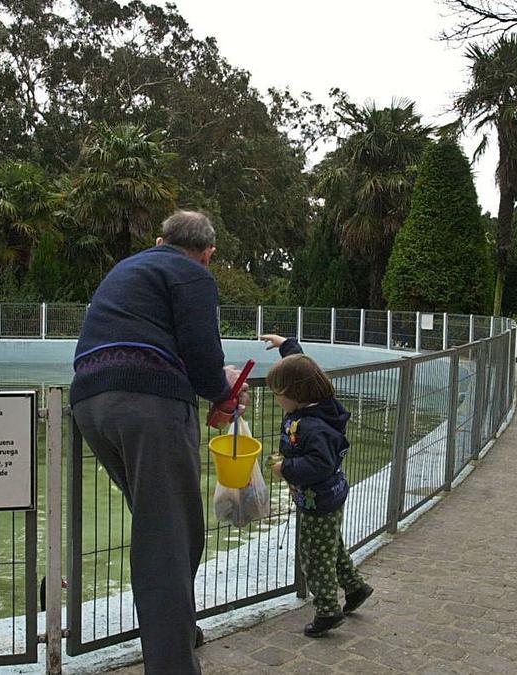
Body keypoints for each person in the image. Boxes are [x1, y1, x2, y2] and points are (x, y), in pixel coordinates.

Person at [71, 210, 247, 673]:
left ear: (158, 240)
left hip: (90, 402)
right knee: (171, 538)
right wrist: (223, 389)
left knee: (163, 525)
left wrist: (214, 386)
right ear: (207, 254)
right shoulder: (192, 274)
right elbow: (202, 350)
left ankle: (181, 631)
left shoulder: (130, 267)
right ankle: (172, 664)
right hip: (148, 405)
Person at [261, 333, 374, 637]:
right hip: (330, 497)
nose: (276, 399)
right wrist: (287, 346)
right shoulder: (322, 404)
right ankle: (355, 588)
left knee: (314, 555)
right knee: (331, 545)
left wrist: (285, 467)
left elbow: (319, 465)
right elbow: (302, 369)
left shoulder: (311, 426)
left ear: (295, 395)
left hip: (317, 500)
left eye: (278, 393)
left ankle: (327, 610)